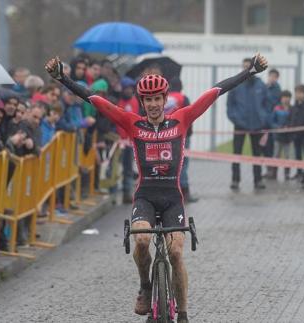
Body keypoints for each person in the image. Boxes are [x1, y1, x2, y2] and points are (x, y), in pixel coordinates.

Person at [45, 53, 268, 323]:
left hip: (173, 197)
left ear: (165, 99)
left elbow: (215, 91)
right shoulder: (132, 123)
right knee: (140, 242)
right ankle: (145, 285)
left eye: (156, 99)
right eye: (147, 100)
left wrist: (250, 71)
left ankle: (183, 313)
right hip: (145, 197)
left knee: (175, 253)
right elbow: (96, 100)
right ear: (143, 102)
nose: (152, 104)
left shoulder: (182, 118)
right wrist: (62, 78)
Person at [227, 57, 271, 190]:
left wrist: (263, 118)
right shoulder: (236, 84)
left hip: (257, 125)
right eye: (245, 66)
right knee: (237, 153)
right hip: (240, 125)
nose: (247, 68)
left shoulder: (260, 84)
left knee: (257, 154)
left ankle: (258, 180)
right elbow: (230, 105)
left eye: (249, 66)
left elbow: (267, 104)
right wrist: (235, 118)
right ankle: (235, 180)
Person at [288, 84, 304, 179]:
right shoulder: (294, 106)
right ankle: (299, 172)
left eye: (300, 92)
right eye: (296, 92)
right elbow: (291, 118)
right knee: (297, 154)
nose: (297, 95)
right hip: (296, 135)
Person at [263, 68, 282, 179]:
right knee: (265, 147)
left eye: (274, 77)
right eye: (270, 76)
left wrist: (267, 89)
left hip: (272, 122)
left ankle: (273, 171)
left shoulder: (276, 89)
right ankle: (268, 169)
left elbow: (273, 102)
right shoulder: (265, 87)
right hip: (264, 122)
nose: (272, 78)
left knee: (273, 148)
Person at [270, 90, 293, 180]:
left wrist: (289, 127)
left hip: (288, 138)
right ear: (281, 98)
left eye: (288, 97)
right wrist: (278, 127)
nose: (286, 99)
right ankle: (273, 173)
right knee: (276, 155)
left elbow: (294, 121)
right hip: (278, 137)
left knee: (287, 156)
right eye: (284, 97)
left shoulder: (292, 109)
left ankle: (287, 173)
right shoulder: (276, 108)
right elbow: (272, 121)